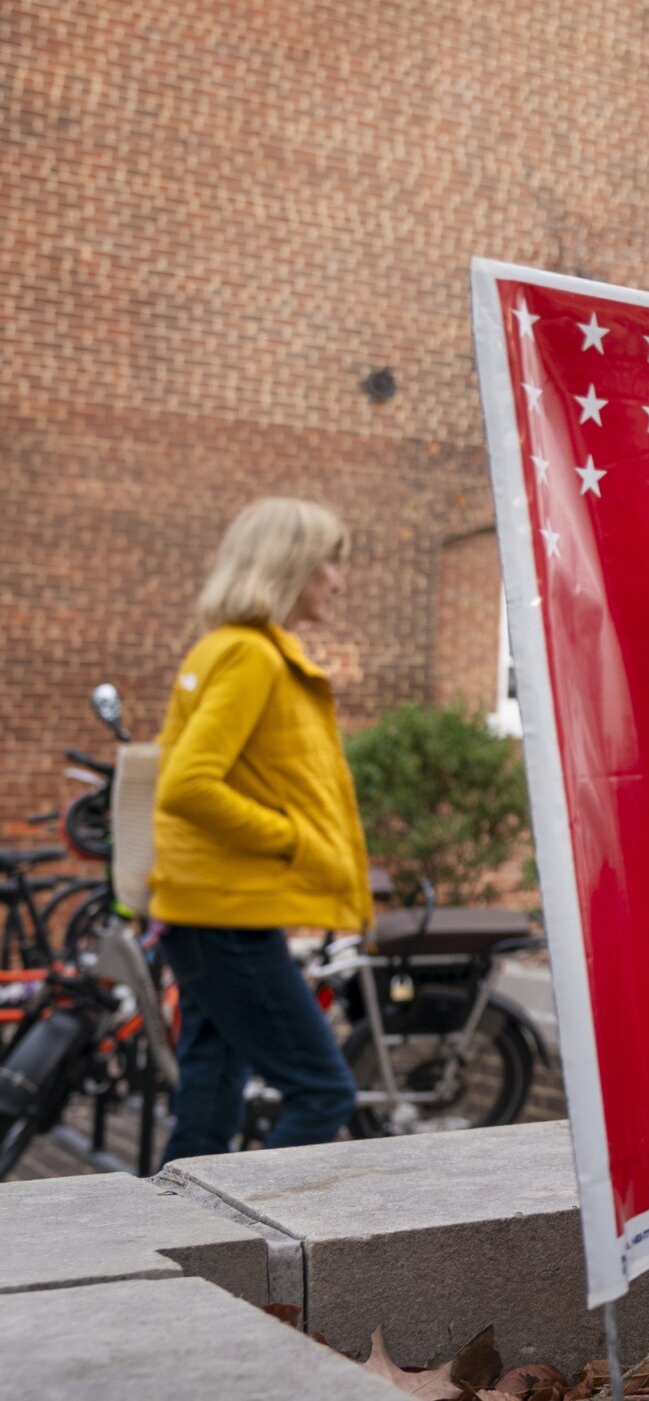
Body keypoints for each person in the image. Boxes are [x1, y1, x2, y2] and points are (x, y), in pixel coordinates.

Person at [152, 497, 371, 1161]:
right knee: (323, 1092)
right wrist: (294, 840)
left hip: (212, 912)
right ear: (291, 565)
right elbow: (188, 786)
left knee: (209, 1103)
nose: (338, 578)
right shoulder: (252, 657)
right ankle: (259, 1249)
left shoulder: (227, 649)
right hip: (228, 921)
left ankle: (181, 1247)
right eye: (329, 561)